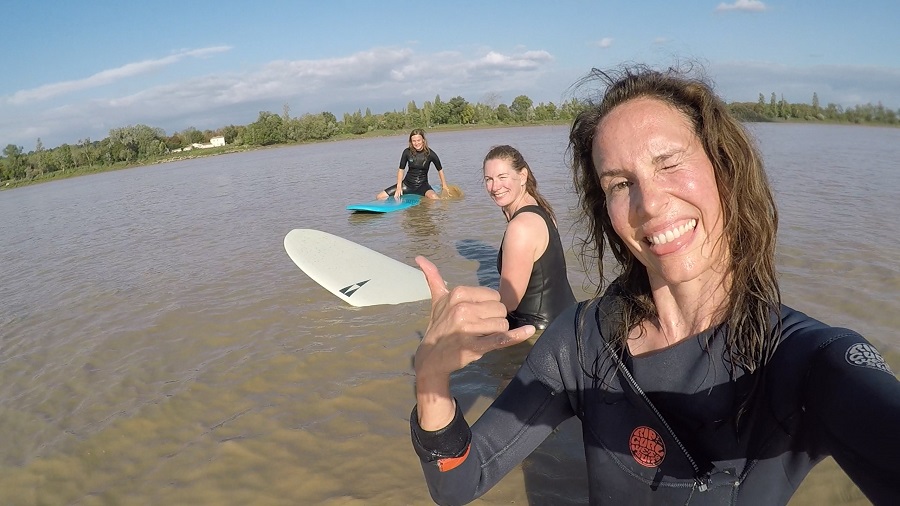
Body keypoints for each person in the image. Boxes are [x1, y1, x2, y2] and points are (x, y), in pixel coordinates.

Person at [409, 64, 900, 505]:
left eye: (669, 162)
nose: (649, 202)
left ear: (725, 169)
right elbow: (458, 483)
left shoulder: (810, 362)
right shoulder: (579, 342)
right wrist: (431, 379)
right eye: (619, 184)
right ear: (608, 211)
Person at [482, 145, 575, 329]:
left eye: (502, 177)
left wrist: (465, 310)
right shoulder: (541, 209)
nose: (494, 187)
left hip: (537, 335)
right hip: (565, 322)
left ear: (522, 176)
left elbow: (509, 302)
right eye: (488, 179)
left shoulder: (521, 227)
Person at [376, 129, 449, 200]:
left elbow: (440, 170)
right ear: (411, 141)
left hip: (423, 187)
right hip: (406, 185)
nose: (416, 143)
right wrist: (399, 186)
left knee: (435, 198)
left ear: (423, 140)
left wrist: (444, 186)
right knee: (380, 196)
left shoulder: (430, 154)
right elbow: (401, 170)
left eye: (418, 140)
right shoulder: (407, 152)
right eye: (414, 141)